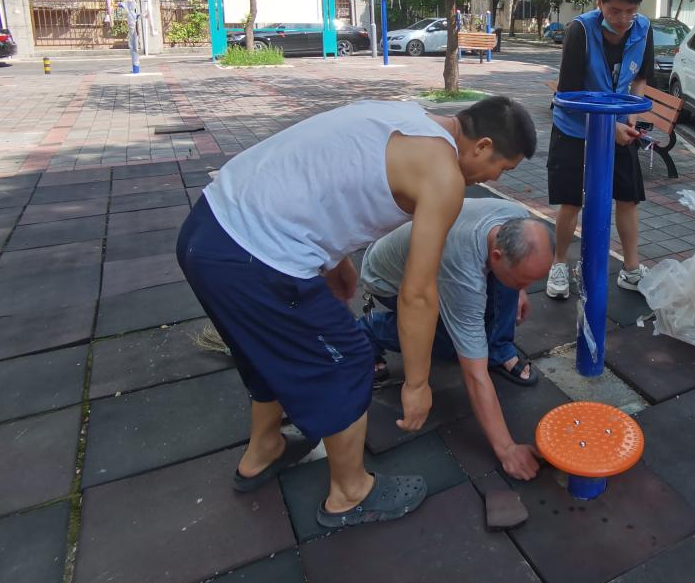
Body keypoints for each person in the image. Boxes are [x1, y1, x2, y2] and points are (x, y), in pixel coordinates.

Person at [175, 96, 537, 528]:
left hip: (206, 230)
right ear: (482, 146)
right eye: (503, 168)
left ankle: (264, 450)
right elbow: (418, 293)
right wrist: (417, 383)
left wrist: (335, 261)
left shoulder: (405, 115)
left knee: (264, 350)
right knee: (348, 361)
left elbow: (326, 176)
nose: (495, 178)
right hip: (255, 257)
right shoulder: (443, 176)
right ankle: (350, 493)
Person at [358, 199, 554, 480]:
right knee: (452, 344)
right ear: (496, 256)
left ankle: (498, 349)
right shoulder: (462, 272)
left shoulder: (517, 218)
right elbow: (474, 375)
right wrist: (507, 448)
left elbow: (514, 265)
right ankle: (371, 330)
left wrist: (519, 286)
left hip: (445, 254)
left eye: (531, 280)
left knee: (502, 292)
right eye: (524, 280)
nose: (528, 288)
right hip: (388, 278)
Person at [545, 0, 655, 300]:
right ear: (599, 2)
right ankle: (559, 263)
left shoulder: (643, 29)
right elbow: (568, 94)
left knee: (628, 198)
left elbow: (640, 78)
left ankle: (631, 269)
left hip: (619, 126)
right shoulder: (580, 31)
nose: (623, 19)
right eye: (614, 11)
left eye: (630, 11)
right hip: (574, 127)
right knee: (571, 201)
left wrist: (631, 116)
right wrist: (608, 127)